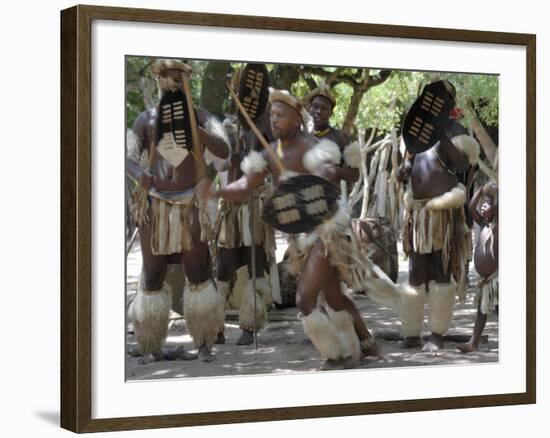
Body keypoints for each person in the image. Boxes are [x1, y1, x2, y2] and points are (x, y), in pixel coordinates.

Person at [209, 88, 379, 370]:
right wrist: (215, 193)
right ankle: (367, 345)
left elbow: (331, 184)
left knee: (304, 299)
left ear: (297, 120)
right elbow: (244, 186)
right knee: (334, 296)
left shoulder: (313, 146)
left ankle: (340, 354)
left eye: (280, 115)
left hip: (326, 231)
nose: (274, 121)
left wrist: (323, 176)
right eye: (271, 115)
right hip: (302, 236)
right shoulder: (268, 152)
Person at [126, 59, 230, 364]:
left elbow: (225, 150)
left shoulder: (203, 116)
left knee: (198, 272)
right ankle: (151, 344)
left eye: (179, 80)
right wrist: (138, 174)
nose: (173, 85)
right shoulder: (146, 119)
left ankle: (204, 343)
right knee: (153, 275)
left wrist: (197, 130)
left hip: (190, 204)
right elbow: (129, 156)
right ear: (160, 82)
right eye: (168, 80)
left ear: (187, 83)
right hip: (156, 205)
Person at [397, 80, 480, 353]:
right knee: (415, 272)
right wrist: (403, 172)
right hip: (418, 214)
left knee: (440, 271)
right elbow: (407, 167)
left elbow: (462, 164)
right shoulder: (414, 134)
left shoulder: (455, 131)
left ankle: (436, 334)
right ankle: (411, 332)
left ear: (449, 105)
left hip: (443, 215)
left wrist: (439, 132)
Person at [215, 111, 277, 345]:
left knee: (255, 267)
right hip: (231, 209)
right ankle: (216, 326)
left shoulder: (263, 129)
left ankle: (250, 327)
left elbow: (273, 154)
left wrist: (257, 130)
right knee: (224, 268)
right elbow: (224, 161)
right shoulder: (226, 130)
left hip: (254, 208)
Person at [457, 182, 498, 352]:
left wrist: (496, 193)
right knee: (481, 312)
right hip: (485, 281)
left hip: (497, 277)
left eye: (487, 204)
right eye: (483, 204)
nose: (483, 207)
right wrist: (481, 190)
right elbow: (470, 206)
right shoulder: (482, 223)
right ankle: (473, 343)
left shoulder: (499, 225)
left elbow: (498, 205)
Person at [306, 82, 359, 185]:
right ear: (309, 109)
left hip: (329, 198)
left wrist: (335, 170)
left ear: (331, 113)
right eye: (315, 106)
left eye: (325, 108)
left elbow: (355, 175)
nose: (319, 111)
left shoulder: (341, 138)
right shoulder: (300, 136)